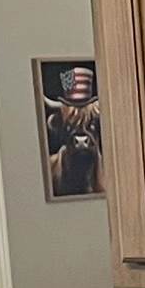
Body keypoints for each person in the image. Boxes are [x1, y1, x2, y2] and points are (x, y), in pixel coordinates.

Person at [44, 63, 103, 198]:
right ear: (60, 126)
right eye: (71, 125)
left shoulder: (113, 171)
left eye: (91, 124)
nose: (82, 135)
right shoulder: (49, 169)